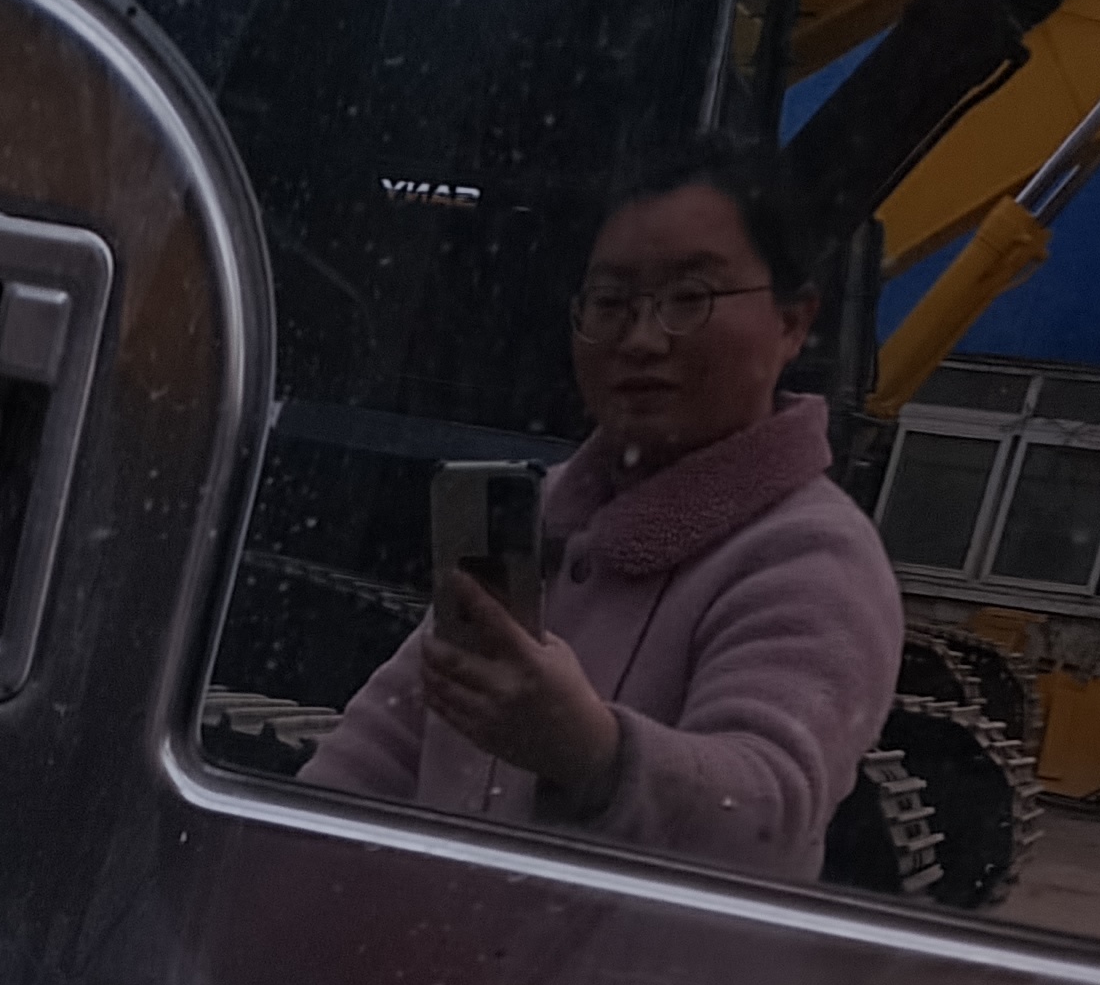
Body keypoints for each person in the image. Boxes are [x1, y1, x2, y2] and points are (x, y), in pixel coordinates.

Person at [301, 138, 905, 883]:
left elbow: (766, 822)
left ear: (793, 322)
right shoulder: (540, 516)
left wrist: (593, 754)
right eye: (611, 302)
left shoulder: (812, 558)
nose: (642, 339)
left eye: (690, 298)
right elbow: (384, 743)